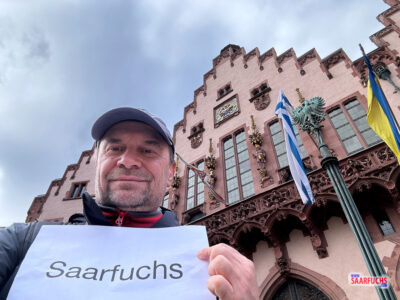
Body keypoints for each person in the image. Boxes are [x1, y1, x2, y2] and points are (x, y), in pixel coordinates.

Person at [0, 107, 259, 300]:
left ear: (171, 174)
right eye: (115, 148)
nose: (128, 160)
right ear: (96, 162)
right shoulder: (26, 241)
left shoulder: (207, 267)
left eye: (147, 150)